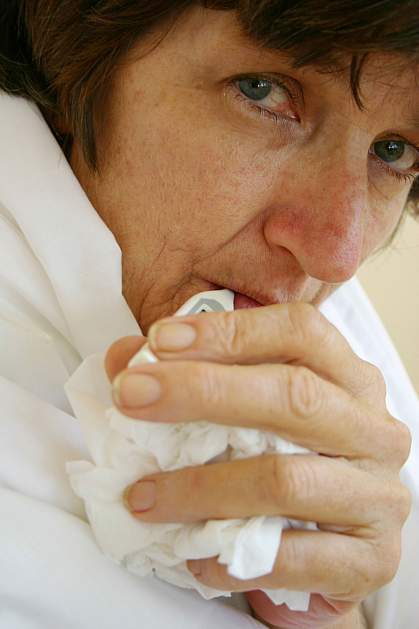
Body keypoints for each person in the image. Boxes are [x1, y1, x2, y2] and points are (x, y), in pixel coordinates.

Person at [1, 2, 419, 628]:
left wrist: (323, 612)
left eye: (394, 151)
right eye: (264, 91)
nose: (336, 255)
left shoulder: (282, 310)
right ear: (78, 49)